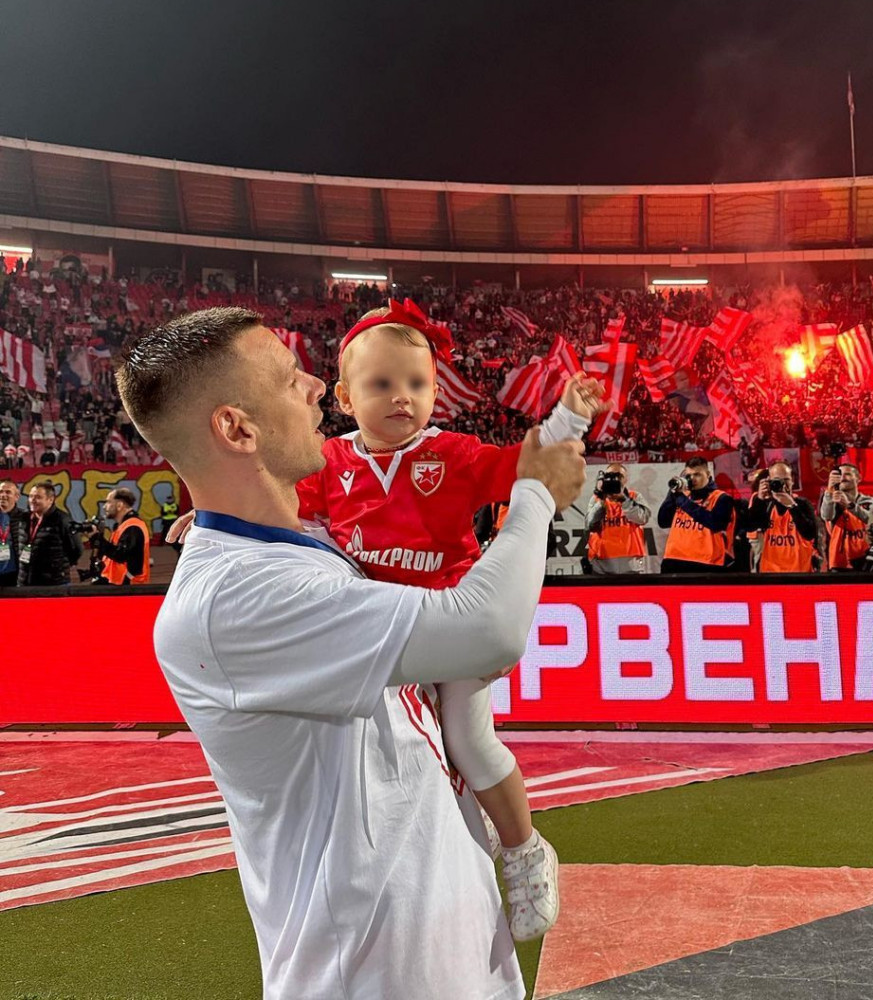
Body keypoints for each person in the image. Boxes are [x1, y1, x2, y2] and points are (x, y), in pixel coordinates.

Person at [115, 306, 585, 1000]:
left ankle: (518, 848)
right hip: (373, 982)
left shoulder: (313, 553)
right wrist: (537, 496)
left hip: (450, 962)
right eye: (289, 379)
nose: (314, 387)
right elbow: (488, 629)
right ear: (237, 429)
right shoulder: (238, 596)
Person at [297, 298, 606, 941]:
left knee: (467, 739)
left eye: (418, 383)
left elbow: (527, 465)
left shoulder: (454, 454)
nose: (402, 396)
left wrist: (571, 415)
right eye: (382, 383)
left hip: (451, 624)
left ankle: (525, 850)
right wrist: (214, 517)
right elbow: (277, 509)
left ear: (436, 393)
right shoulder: (328, 463)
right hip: (383, 636)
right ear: (345, 399)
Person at [657, 456, 735, 573]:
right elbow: (663, 521)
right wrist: (671, 494)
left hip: (706, 562)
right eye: (688, 475)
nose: (692, 479)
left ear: (708, 474)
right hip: (674, 559)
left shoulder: (722, 498)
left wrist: (682, 500)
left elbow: (715, 524)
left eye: (697, 475)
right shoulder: (682, 495)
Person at [745, 461, 819, 572]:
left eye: (786, 480)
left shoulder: (802, 504)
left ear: (792, 481)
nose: (783, 485)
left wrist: (792, 506)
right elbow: (750, 526)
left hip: (799, 573)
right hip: (771, 573)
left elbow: (810, 534)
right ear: (769, 481)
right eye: (777, 480)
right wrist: (760, 499)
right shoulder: (766, 504)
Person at [585, 462, 651, 574]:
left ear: (626, 479)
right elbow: (590, 525)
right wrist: (602, 499)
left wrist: (624, 500)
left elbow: (642, 518)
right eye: (609, 476)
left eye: (619, 476)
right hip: (602, 561)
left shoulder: (634, 496)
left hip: (630, 560)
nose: (614, 480)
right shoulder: (597, 499)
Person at [17, 480, 82, 586]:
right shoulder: (24, 518)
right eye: (31, 496)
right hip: (25, 581)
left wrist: (58, 567)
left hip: (54, 582)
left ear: (50, 500)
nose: (32, 500)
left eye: (38, 497)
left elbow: (77, 549)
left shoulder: (62, 520)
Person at [819, 462, 873, 571]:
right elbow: (826, 516)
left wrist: (849, 505)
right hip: (839, 562)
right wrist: (829, 491)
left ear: (859, 478)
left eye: (848, 474)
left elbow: (872, 520)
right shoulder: (831, 501)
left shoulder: (871, 501)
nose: (843, 477)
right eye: (840, 475)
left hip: (867, 559)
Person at [91, 487, 151, 585]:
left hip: (130, 586)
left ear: (119, 505)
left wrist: (97, 538)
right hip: (119, 581)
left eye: (108, 502)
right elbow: (112, 556)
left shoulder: (133, 526)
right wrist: (95, 539)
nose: (104, 507)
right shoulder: (123, 525)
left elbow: (120, 555)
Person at [0, 479, 25, 587]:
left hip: (16, 574)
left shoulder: (25, 517)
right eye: (1, 492)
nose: (3, 495)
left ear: (17, 497)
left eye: (8, 492)